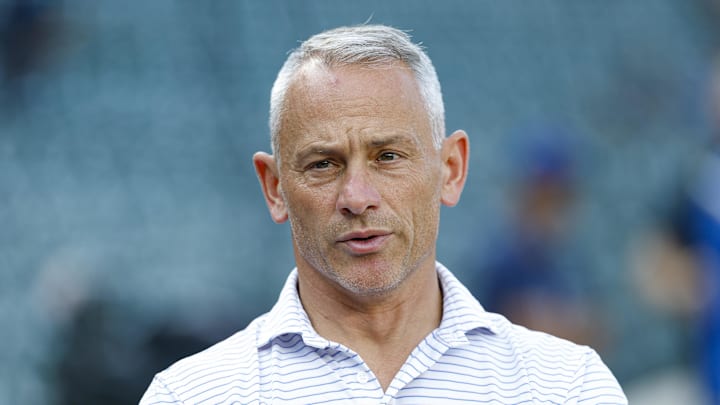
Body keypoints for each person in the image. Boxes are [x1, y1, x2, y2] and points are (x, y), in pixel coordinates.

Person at [140, 25, 627, 404]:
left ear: (451, 170)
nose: (357, 197)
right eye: (323, 164)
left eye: (388, 157)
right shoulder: (190, 396)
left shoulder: (568, 387)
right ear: (275, 188)